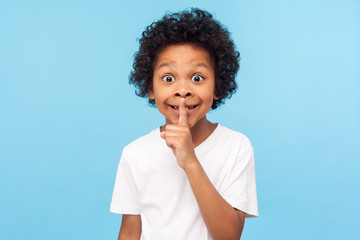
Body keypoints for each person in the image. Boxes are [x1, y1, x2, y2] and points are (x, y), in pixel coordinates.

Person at [110, 8, 258, 240]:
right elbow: (130, 233)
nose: (182, 90)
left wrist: (190, 161)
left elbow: (229, 236)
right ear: (150, 88)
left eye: (197, 78)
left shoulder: (236, 147)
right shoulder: (134, 154)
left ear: (217, 86)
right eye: (168, 78)